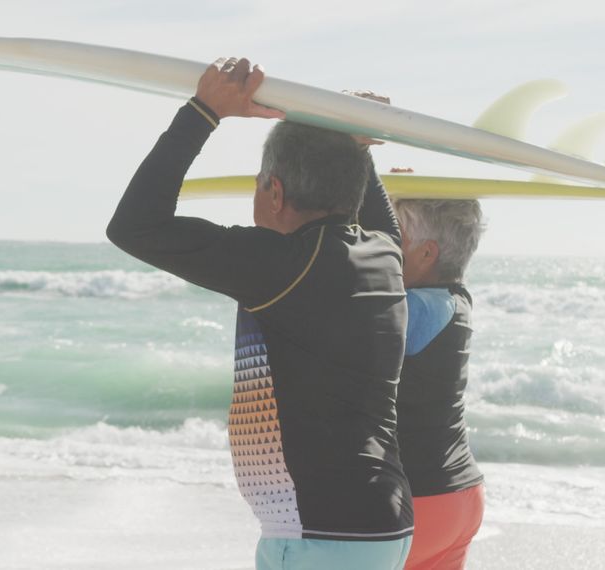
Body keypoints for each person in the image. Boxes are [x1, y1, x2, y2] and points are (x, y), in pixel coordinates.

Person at [106, 57, 414, 569]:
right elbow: (358, 204)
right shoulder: (381, 255)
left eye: (257, 183)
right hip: (375, 521)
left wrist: (203, 113)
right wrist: (352, 142)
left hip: (325, 534)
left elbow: (133, 226)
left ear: (275, 191)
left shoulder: (284, 266)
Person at [392, 198, 486, 570]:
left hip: (419, 501)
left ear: (427, 253)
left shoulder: (417, 309)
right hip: (461, 496)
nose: (380, 246)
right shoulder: (454, 302)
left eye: (394, 238)